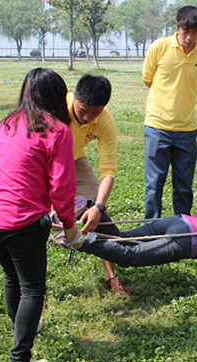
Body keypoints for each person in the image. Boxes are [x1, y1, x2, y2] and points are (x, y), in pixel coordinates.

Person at [0, 68, 80, 362]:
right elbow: (62, 187)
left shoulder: (5, 124)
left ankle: (21, 327)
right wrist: (70, 227)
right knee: (33, 288)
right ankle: (20, 360)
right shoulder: (57, 130)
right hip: (19, 221)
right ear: (58, 97)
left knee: (13, 276)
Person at [66, 74, 133, 297]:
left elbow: (108, 170)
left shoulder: (105, 121)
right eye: (83, 110)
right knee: (43, 223)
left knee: (97, 210)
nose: (87, 118)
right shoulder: (56, 108)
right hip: (46, 162)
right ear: (74, 96)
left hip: (75, 160)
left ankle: (110, 277)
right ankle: (35, 288)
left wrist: (99, 207)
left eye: (95, 113)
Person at [142, 5, 197, 219]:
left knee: (184, 186)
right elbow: (147, 79)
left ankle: (181, 228)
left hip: (187, 130)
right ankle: (150, 228)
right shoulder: (159, 47)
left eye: (195, 32)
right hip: (157, 127)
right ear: (177, 27)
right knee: (154, 184)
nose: (190, 37)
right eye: (186, 31)